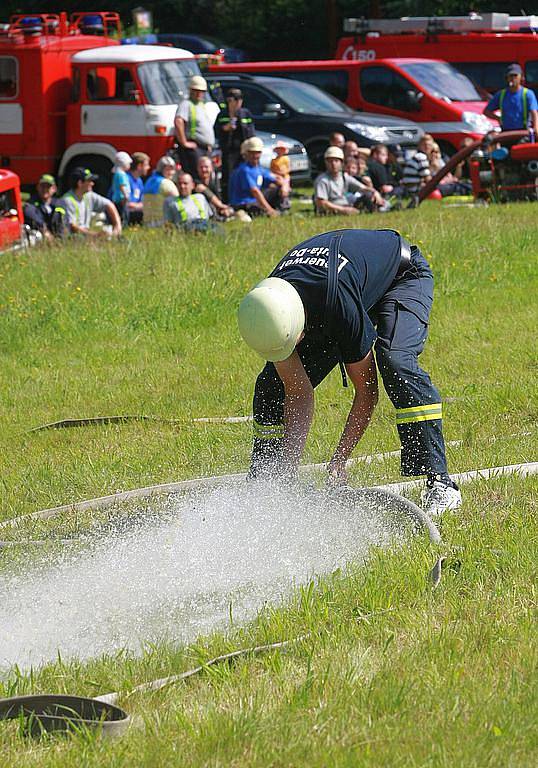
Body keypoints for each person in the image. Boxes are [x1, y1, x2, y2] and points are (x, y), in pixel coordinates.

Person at [237, 228, 462, 517]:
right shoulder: (271, 302)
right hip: (333, 296)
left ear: (298, 330)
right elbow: (297, 392)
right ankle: (267, 486)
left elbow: (367, 392)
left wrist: (339, 461)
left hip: (402, 276)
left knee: (396, 362)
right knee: (271, 385)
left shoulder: (337, 305)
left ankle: (441, 484)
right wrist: (287, 474)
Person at [314, 146, 384, 214]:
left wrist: (375, 193)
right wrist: (343, 210)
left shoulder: (344, 177)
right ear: (326, 163)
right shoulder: (322, 180)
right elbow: (321, 202)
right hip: (332, 210)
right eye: (330, 161)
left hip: (346, 205)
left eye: (336, 161)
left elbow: (363, 188)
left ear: (341, 163)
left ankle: (378, 210)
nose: (333, 164)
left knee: (368, 195)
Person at [216, 87, 255, 201]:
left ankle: (246, 199)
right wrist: (226, 128)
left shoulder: (245, 113)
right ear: (229, 100)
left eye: (240, 99)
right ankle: (228, 201)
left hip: (243, 152)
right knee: (229, 177)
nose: (238, 102)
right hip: (229, 152)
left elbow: (251, 132)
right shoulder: (222, 115)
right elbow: (216, 132)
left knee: (245, 175)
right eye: (235, 99)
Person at [229, 136, 282, 218]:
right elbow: (255, 191)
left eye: (257, 152)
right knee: (260, 213)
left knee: (276, 188)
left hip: (254, 201)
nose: (255, 155)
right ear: (246, 154)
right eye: (252, 152)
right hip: (243, 203)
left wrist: (284, 185)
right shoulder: (244, 170)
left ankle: (281, 209)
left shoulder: (258, 168)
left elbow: (276, 178)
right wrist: (269, 210)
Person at [61, 167, 121, 238]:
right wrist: (95, 235)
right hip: (73, 238)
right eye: (89, 181)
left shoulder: (89, 195)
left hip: (85, 235)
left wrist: (117, 226)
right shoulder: (67, 200)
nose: (92, 183)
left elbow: (109, 204)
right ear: (80, 183)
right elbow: (72, 227)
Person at [174, 75, 216, 177]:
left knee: (205, 175)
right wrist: (184, 142)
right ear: (191, 90)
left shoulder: (200, 105)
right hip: (194, 149)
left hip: (203, 149)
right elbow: (179, 121)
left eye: (201, 91)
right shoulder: (186, 104)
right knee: (196, 175)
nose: (199, 93)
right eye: (196, 90)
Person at [483, 63, 538, 135]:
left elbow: (534, 112)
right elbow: (486, 111)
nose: (513, 78)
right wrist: (499, 119)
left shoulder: (527, 93)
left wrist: (536, 127)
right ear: (507, 78)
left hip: (523, 132)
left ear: (521, 77)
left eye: (515, 75)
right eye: (510, 76)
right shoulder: (501, 94)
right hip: (506, 132)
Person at [23, 174, 65, 240]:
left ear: (54, 189)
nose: (45, 189)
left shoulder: (59, 203)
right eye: (42, 186)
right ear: (37, 187)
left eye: (48, 187)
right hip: (40, 239)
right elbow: (30, 214)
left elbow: (63, 223)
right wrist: (44, 230)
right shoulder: (31, 203)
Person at [143, 156, 180, 226]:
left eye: (172, 169)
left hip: (146, 223)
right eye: (168, 170)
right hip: (161, 223)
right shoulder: (166, 183)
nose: (171, 172)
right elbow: (179, 200)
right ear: (161, 170)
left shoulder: (149, 180)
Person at [194, 155, 233, 220]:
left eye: (206, 167)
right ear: (197, 169)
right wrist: (220, 206)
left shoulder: (218, 180)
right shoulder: (195, 182)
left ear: (211, 168)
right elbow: (202, 189)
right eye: (201, 167)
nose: (204, 170)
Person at [126, 151, 150, 225]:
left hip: (136, 211)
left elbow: (142, 200)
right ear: (139, 166)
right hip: (126, 213)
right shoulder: (126, 179)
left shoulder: (139, 180)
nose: (148, 167)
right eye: (146, 165)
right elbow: (126, 204)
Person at [110, 151, 132, 224]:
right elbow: (122, 186)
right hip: (121, 198)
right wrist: (125, 196)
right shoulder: (121, 174)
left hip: (118, 198)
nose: (129, 165)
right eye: (128, 163)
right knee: (123, 214)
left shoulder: (118, 173)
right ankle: (122, 226)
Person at [270, 141, 291, 209]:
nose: (280, 151)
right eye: (278, 149)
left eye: (281, 149)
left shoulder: (286, 159)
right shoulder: (273, 161)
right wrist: (277, 173)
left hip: (285, 176)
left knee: (285, 187)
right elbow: (272, 170)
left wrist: (283, 172)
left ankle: (285, 203)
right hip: (277, 176)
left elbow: (288, 169)